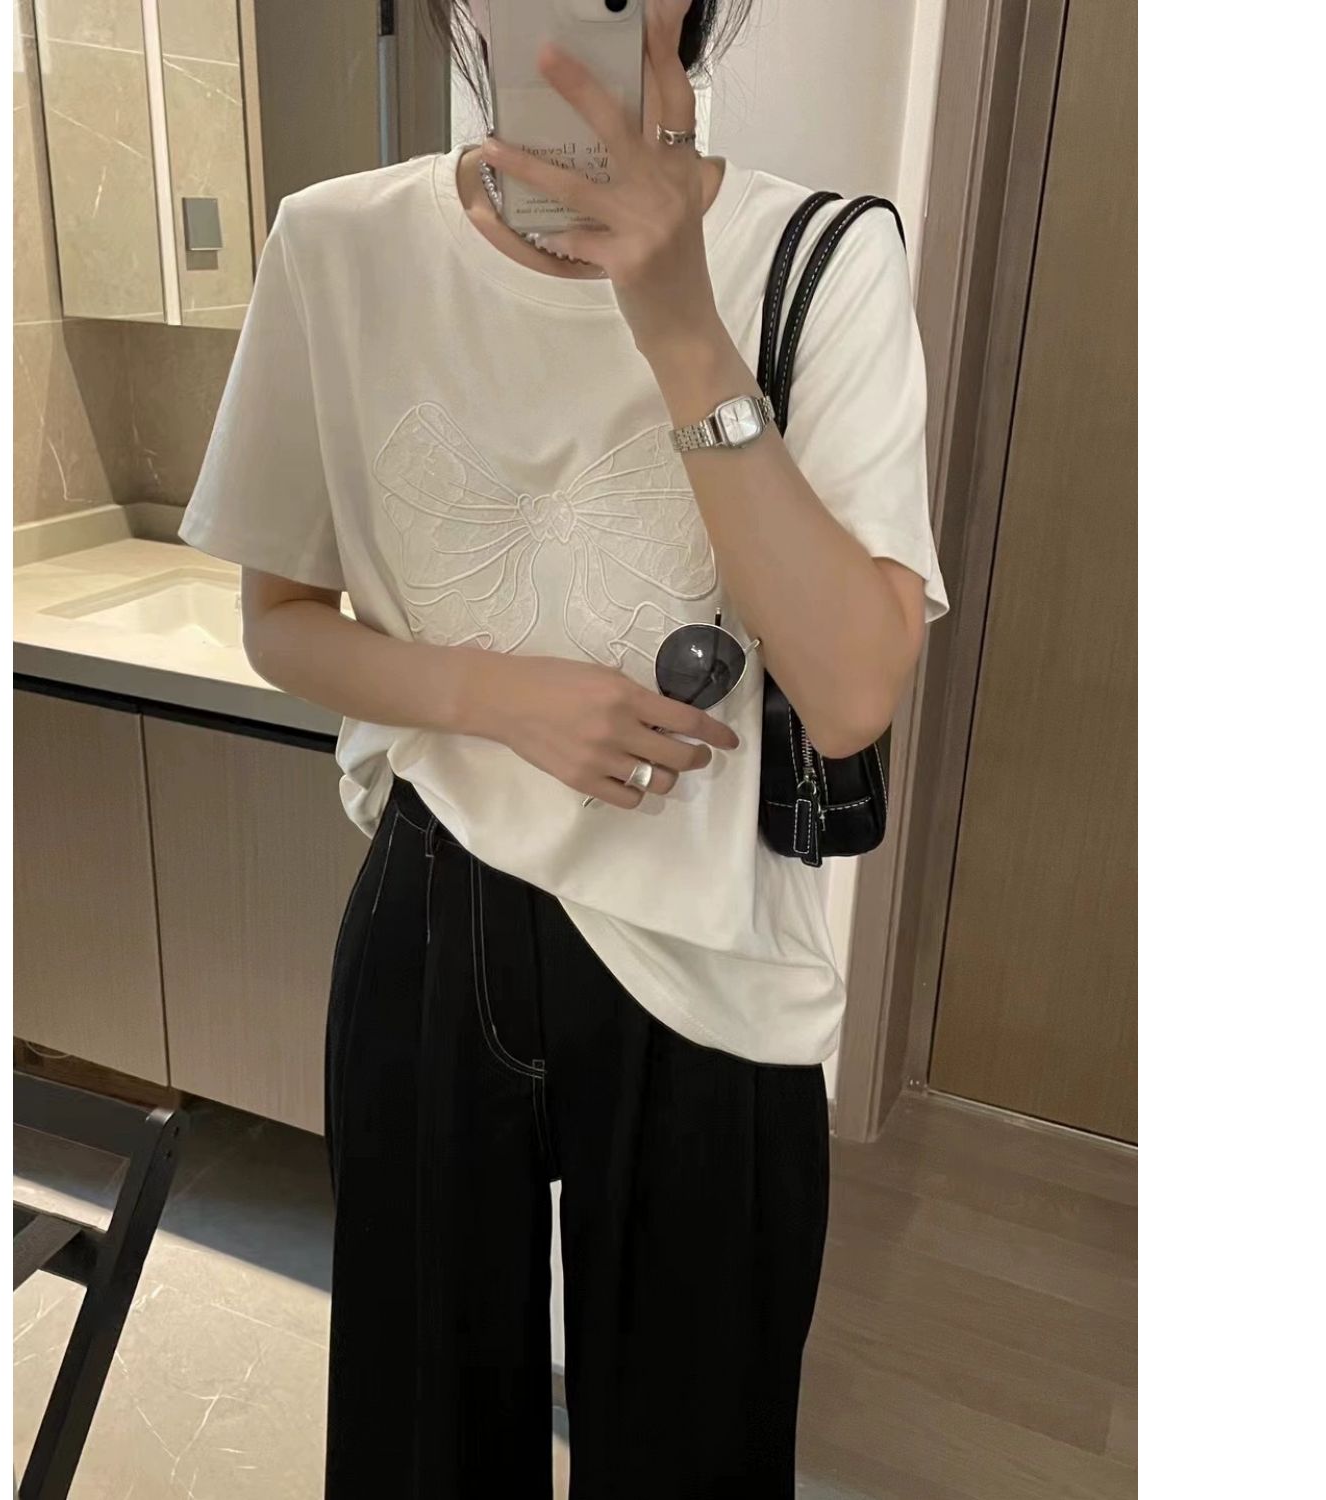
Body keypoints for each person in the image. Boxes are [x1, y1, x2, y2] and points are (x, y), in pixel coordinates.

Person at [178, 2, 948, 1494]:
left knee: (693, 1454)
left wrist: (678, 321)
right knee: (420, 1448)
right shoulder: (336, 243)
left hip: (711, 962)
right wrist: (499, 697)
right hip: (433, 910)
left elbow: (853, 693)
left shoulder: (824, 257)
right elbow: (280, 621)